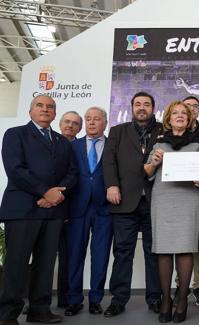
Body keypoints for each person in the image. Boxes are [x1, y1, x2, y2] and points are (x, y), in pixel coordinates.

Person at [0, 95, 77, 325]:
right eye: (40, 106)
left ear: (55, 113)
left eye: (50, 107)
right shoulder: (15, 134)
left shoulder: (62, 141)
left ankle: (39, 310)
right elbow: (15, 169)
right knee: (17, 263)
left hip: (53, 211)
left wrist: (58, 194)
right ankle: (7, 314)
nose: (45, 110)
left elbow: (72, 173)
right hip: (23, 210)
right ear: (30, 111)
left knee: (45, 264)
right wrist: (45, 192)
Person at [102, 91, 162, 317]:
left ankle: (155, 298)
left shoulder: (163, 131)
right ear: (132, 107)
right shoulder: (118, 131)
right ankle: (118, 300)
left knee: (153, 252)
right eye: (138, 104)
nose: (142, 108)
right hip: (124, 200)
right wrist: (111, 186)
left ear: (153, 108)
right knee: (122, 252)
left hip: (155, 201)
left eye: (146, 104)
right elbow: (109, 162)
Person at [144, 101, 199, 323]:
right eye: (175, 113)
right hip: (163, 198)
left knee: (184, 249)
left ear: (189, 120)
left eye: (184, 114)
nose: (179, 116)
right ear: (168, 119)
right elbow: (147, 172)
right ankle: (166, 300)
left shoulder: (197, 145)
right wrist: (154, 162)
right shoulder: (159, 143)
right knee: (163, 250)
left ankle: (182, 299)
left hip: (188, 198)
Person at [64, 107, 112, 317]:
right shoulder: (72, 146)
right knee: (75, 255)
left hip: (105, 208)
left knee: (100, 256)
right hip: (77, 208)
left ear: (105, 123)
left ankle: (95, 299)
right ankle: (73, 299)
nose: (92, 122)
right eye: (88, 119)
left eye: (97, 119)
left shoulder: (114, 146)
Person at [172, 96, 199, 308]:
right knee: (179, 242)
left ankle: (198, 285)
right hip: (175, 195)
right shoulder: (169, 133)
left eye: (195, 106)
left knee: (198, 243)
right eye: (187, 106)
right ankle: (180, 285)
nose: (191, 109)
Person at [53, 111, 83, 309]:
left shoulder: (80, 148)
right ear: (60, 123)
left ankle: (66, 299)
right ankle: (37, 300)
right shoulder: (48, 143)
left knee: (67, 257)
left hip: (69, 211)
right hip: (43, 207)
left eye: (75, 124)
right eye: (67, 122)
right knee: (42, 257)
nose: (70, 126)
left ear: (79, 128)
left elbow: (76, 180)